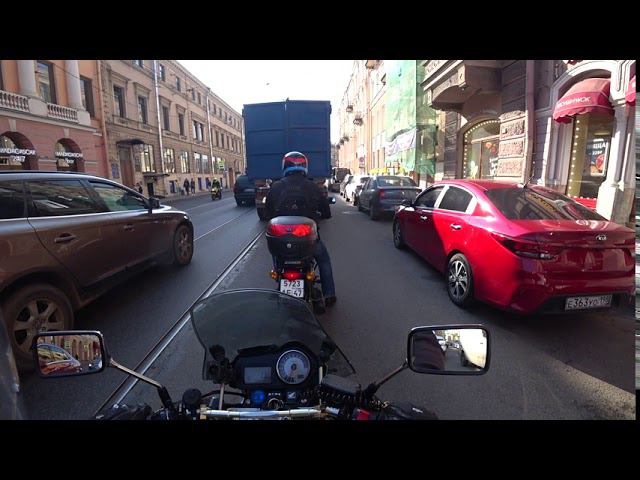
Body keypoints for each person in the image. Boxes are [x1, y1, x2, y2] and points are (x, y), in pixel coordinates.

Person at [265, 151, 336, 306]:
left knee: (276, 254)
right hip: (308, 240)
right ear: (305, 166)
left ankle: (279, 274)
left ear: (285, 166)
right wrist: (323, 214)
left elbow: (267, 211)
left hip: (282, 241)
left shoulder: (276, 186)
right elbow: (326, 211)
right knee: (323, 260)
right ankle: (329, 294)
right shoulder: (312, 186)